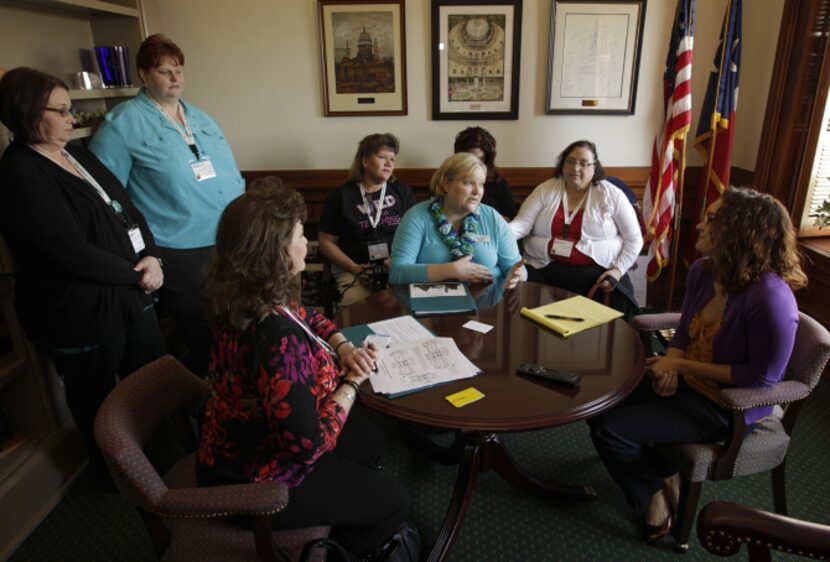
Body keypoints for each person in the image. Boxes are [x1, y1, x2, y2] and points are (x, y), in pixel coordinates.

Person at [197, 176, 415, 560]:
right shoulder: (275, 337)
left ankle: (343, 516)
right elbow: (307, 447)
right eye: (300, 235)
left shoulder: (244, 294)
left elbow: (308, 319)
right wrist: (351, 384)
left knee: (368, 441)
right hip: (256, 479)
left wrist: (343, 346)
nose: (306, 244)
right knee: (395, 502)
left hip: (235, 440)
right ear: (276, 252)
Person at [589, 187, 807, 542]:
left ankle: (653, 498)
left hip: (729, 405)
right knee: (597, 402)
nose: (700, 226)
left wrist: (683, 369)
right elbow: (682, 334)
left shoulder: (771, 299)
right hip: (689, 381)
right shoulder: (705, 271)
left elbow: (761, 379)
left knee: (614, 430)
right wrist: (672, 365)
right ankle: (666, 475)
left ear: (741, 231)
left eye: (712, 219)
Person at [0, 67, 165, 471]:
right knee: (99, 404)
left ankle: (162, 462)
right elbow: (66, 250)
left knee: (155, 386)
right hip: (81, 310)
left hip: (133, 292)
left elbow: (127, 207)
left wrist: (153, 257)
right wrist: (136, 272)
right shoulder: (20, 171)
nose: (73, 118)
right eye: (63, 110)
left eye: (71, 109)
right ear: (28, 113)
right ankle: (118, 478)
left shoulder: (76, 151)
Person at [90, 34, 245, 375]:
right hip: (179, 248)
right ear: (144, 75)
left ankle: (235, 400)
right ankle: (209, 407)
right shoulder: (122, 124)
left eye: (178, 70)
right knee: (206, 337)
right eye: (164, 70)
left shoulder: (202, 118)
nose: (175, 78)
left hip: (229, 240)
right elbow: (104, 194)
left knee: (236, 328)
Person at [510, 140, 643, 315]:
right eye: (570, 161)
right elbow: (521, 225)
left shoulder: (611, 194)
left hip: (597, 276)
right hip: (545, 270)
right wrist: (497, 233)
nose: (575, 168)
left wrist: (617, 271)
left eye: (583, 163)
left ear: (594, 167)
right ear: (562, 164)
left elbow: (634, 239)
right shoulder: (545, 189)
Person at [389, 152, 526, 289]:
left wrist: (516, 276)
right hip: (432, 304)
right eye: (468, 183)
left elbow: (516, 268)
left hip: (487, 304)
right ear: (446, 184)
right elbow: (397, 273)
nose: (477, 191)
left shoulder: (492, 217)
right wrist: (451, 271)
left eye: (481, 184)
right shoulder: (416, 217)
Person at [318, 133, 416, 306]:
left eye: (392, 159)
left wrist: (395, 261)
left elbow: (415, 235)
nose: (389, 163)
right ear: (364, 161)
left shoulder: (402, 192)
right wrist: (354, 268)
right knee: (357, 306)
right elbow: (326, 243)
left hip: (396, 264)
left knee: (401, 303)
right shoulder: (341, 196)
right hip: (353, 268)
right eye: (382, 157)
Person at [454, 126, 517, 218]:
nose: (476, 165)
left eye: (481, 159)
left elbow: (511, 219)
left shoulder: (499, 183)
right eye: (471, 159)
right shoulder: (448, 181)